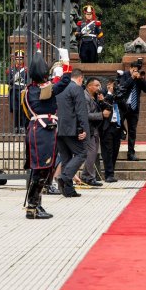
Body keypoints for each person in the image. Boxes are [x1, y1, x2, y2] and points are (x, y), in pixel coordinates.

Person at [22, 47, 71, 219]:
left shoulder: (34, 89)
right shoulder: (39, 90)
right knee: (41, 170)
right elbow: (63, 82)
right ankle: (33, 207)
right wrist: (66, 62)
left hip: (43, 130)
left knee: (42, 170)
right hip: (42, 132)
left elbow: (56, 84)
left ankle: (36, 205)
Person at [55, 68, 89, 197]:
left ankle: (68, 190)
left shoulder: (60, 88)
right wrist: (83, 129)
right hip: (71, 128)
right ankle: (64, 177)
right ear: (80, 78)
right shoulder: (76, 88)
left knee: (66, 158)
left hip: (59, 128)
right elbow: (81, 111)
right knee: (82, 153)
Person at [117, 58, 146, 161]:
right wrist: (131, 77)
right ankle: (115, 151)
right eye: (134, 69)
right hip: (122, 107)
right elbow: (122, 86)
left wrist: (141, 79)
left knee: (132, 131)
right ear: (130, 68)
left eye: (136, 70)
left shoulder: (139, 77)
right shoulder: (124, 75)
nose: (135, 72)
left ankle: (131, 153)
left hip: (134, 108)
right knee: (118, 129)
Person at [81, 77, 108, 187]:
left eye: (99, 85)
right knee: (91, 153)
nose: (99, 88)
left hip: (95, 128)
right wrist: (101, 115)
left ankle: (88, 176)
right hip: (88, 129)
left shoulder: (95, 96)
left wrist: (102, 101)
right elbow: (86, 115)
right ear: (89, 86)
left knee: (93, 153)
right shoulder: (85, 97)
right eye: (96, 85)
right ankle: (87, 177)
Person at [100, 79, 121, 183]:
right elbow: (103, 106)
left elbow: (125, 109)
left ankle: (111, 172)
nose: (112, 88)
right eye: (110, 85)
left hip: (117, 126)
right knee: (107, 151)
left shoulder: (118, 96)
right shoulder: (102, 95)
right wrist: (109, 94)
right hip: (106, 127)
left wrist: (118, 98)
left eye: (113, 86)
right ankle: (108, 174)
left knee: (115, 151)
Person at [8, 50, 27, 133]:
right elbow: (8, 81)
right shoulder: (11, 70)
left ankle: (22, 127)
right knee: (15, 109)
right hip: (14, 91)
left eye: (21, 58)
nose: (19, 60)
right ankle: (16, 127)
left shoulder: (25, 70)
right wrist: (14, 78)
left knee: (22, 109)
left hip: (22, 90)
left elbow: (27, 81)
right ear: (15, 59)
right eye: (18, 58)